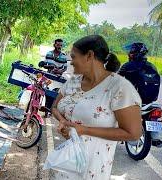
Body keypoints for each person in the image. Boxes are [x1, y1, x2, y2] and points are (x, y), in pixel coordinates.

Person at [52, 35, 142, 180]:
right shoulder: (73, 81)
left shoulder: (119, 87)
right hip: (68, 163)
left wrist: (84, 130)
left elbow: (134, 133)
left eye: (74, 57)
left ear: (89, 56)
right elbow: (55, 107)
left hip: (93, 169)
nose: (71, 62)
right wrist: (63, 121)